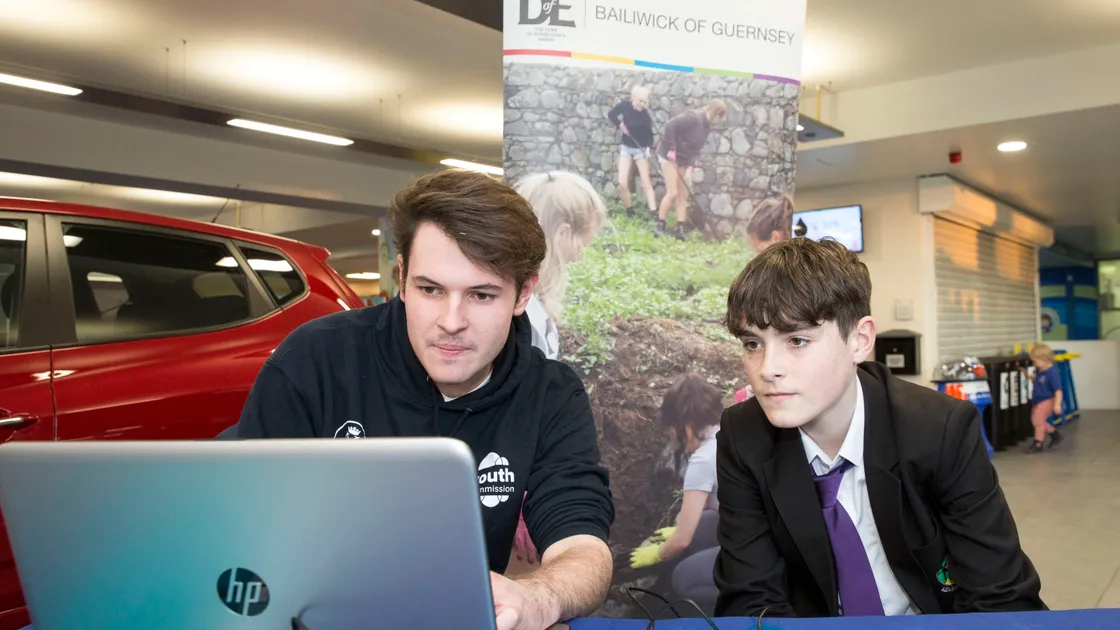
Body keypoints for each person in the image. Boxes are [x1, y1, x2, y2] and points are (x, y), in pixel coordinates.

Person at [231, 168, 616, 630]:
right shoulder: (315, 359)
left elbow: (582, 546)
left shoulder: (550, 393)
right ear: (401, 276)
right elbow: (241, 528)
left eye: (481, 294)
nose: (451, 321)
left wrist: (538, 597)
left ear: (524, 293)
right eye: (430, 289)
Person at [713, 237, 1045, 618]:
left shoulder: (940, 429)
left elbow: (1001, 600)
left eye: (797, 340)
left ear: (860, 340)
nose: (767, 368)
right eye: (752, 343)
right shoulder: (744, 437)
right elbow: (751, 600)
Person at [628, 373, 724, 613]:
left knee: (683, 578)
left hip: (767, 550)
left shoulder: (703, 460)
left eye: (672, 429)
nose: (672, 436)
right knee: (700, 528)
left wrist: (657, 553)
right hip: (763, 526)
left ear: (687, 427)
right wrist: (680, 531)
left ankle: (733, 611)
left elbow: (681, 542)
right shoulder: (730, 433)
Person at [514, 171, 607, 361]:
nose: (576, 259)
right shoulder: (521, 317)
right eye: (580, 247)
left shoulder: (519, 295)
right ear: (563, 234)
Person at [655, 100, 727, 240]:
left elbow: (696, 150)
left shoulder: (707, 127)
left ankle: (680, 229)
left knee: (683, 194)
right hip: (668, 156)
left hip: (683, 160)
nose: (721, 121)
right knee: (672, 192)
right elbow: (670, 126)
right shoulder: (693, 117)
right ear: (717, 114)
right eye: (721, 118)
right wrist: (671, 149)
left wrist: (690, 167)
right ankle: (660, 226)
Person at [606, 85, 658, 217]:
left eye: (645, 102)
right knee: (622, 182)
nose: (642, 104)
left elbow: (649, 135)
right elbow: (611, 114)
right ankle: (630, 210)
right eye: (640, 101)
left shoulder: (646, 114)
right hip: (626, 148)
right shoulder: (624, 106)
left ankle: (654, 213)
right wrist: (620, 125)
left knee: (646, 182)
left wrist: (648, 149)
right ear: (633, 98)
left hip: (641, 150)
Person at [1022, 344, 1064, 453]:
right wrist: (1029, 377)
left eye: (1036, 361)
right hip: (1038, 400)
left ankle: (1038, 442)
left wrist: (1057, 404)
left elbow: (1058, 390)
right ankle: (1054, 434)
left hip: (1047, 400)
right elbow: (1040, 382)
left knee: (1037, 421)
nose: (1034, 364)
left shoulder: (1052, 373)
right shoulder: (1041, 370)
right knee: (1038, 421)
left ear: (1044, 359)